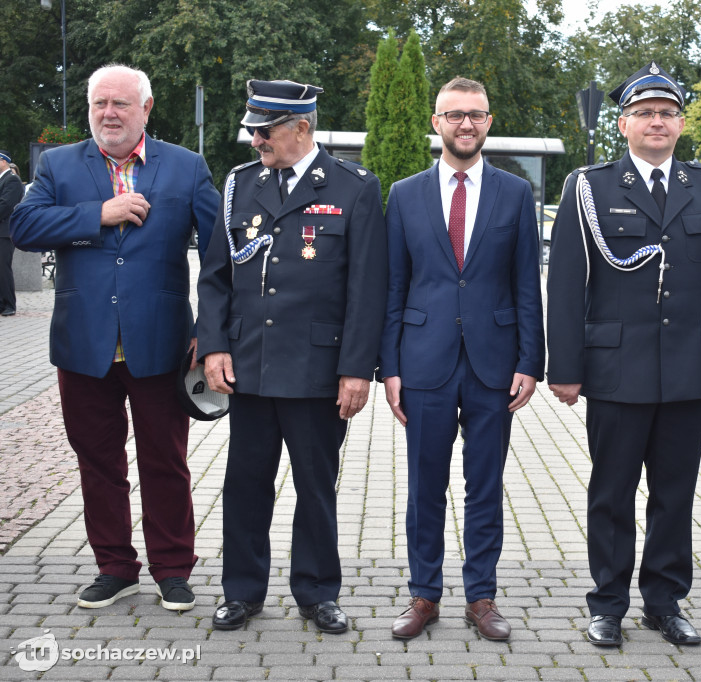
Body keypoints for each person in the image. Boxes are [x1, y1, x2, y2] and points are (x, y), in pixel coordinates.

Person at [546, 62, 701, 647]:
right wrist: (566, 367)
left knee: (675, 493)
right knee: (611, 492)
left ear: (681, 124)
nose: (656, 122)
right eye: (644, 113)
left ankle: (664, 600)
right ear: (623, 124)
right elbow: (566, 284)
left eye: (666, 113)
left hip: (687, 369)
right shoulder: (589, 187)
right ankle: (607, 603)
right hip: (613, 369)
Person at [10, 64, 218, 610]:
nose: (109, 113)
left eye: (121, 104)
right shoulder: (58, 165)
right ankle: (115, 566)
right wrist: (96, 214)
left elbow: (218, 256)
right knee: (98, 461)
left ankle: (173, 568)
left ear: (146, 109)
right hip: (83, 346)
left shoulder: (186, 166)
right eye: (100, 103)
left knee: (165, 462)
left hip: (162, 344)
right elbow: (24, 229)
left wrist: (212, 332)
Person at [197, 80, 387, 634]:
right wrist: (213, 347)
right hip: (249, 367)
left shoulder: (354, 187)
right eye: (253, 129)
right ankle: (242, 590)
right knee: (245, 484)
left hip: (317, 371)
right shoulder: (240, 185)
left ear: (301, 128)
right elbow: (213, 279)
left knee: (315, 486)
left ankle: (317, 591)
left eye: (266, 130)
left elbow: (366, 288)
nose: (255, 139)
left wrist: (357, 369)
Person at [379, 77, 544, 642]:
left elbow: (527, 284)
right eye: (454, 115)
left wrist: (531, 361)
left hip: (494, 366)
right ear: (437, 122)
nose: (465, 124)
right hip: (423, 364)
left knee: (485, 486)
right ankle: (423, 595)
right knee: (425, 486)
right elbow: (393, 287)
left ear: (489, 122)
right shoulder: (403, 195)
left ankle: (482, 598)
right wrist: (390, 368)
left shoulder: (515, 193)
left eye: (475, 115)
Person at [0, 150, 25, 316]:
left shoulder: (12, 180)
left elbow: (6, 205)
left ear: (3, 161)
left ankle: (9, 304)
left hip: (4, 231)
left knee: (3, 268)